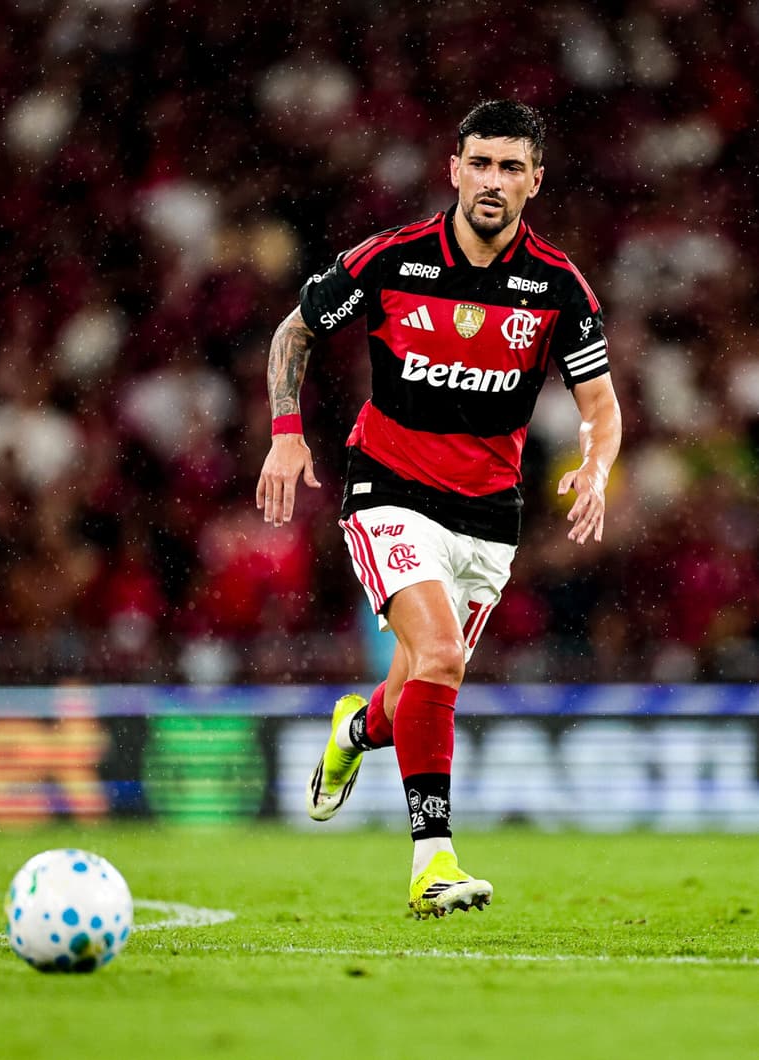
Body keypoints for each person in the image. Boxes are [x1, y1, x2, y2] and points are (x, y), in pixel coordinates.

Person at [256, 99, 622, 919]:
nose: (493, 181)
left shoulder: (557, 286)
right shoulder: (394, 261)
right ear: (454, 169)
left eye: (510, 167)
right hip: (387, 486)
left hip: (489, 515)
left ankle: (353, 731)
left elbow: (601, 405)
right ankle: (434, 864)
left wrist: (597, 467)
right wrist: (286, 433)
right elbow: (295, 331)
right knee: (444, 660)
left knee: (414, 688)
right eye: (480, 163)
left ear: (536, 179)